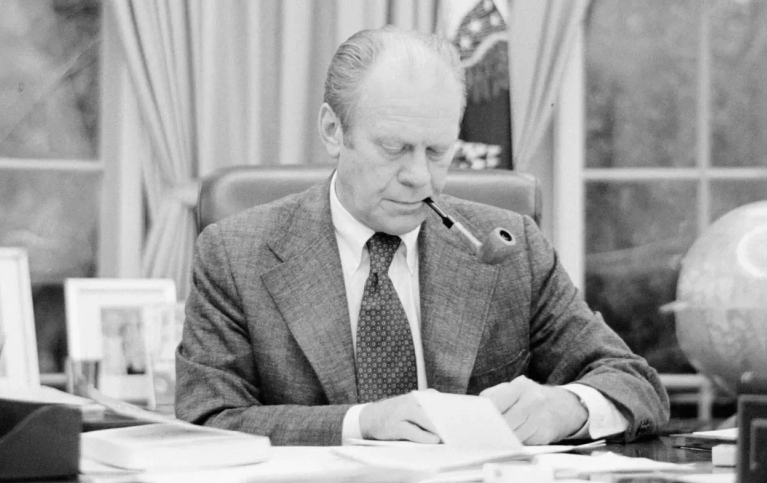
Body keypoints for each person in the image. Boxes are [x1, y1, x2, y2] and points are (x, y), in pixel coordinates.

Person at [176, 26, 669, 446]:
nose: (419, 176)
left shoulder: (511, 247)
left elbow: (636, 384)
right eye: (394, 148)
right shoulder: (234, 254)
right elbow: (208, 419)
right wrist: (361, 423)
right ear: (333, 130)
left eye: (437, 151)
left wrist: (569, 407)